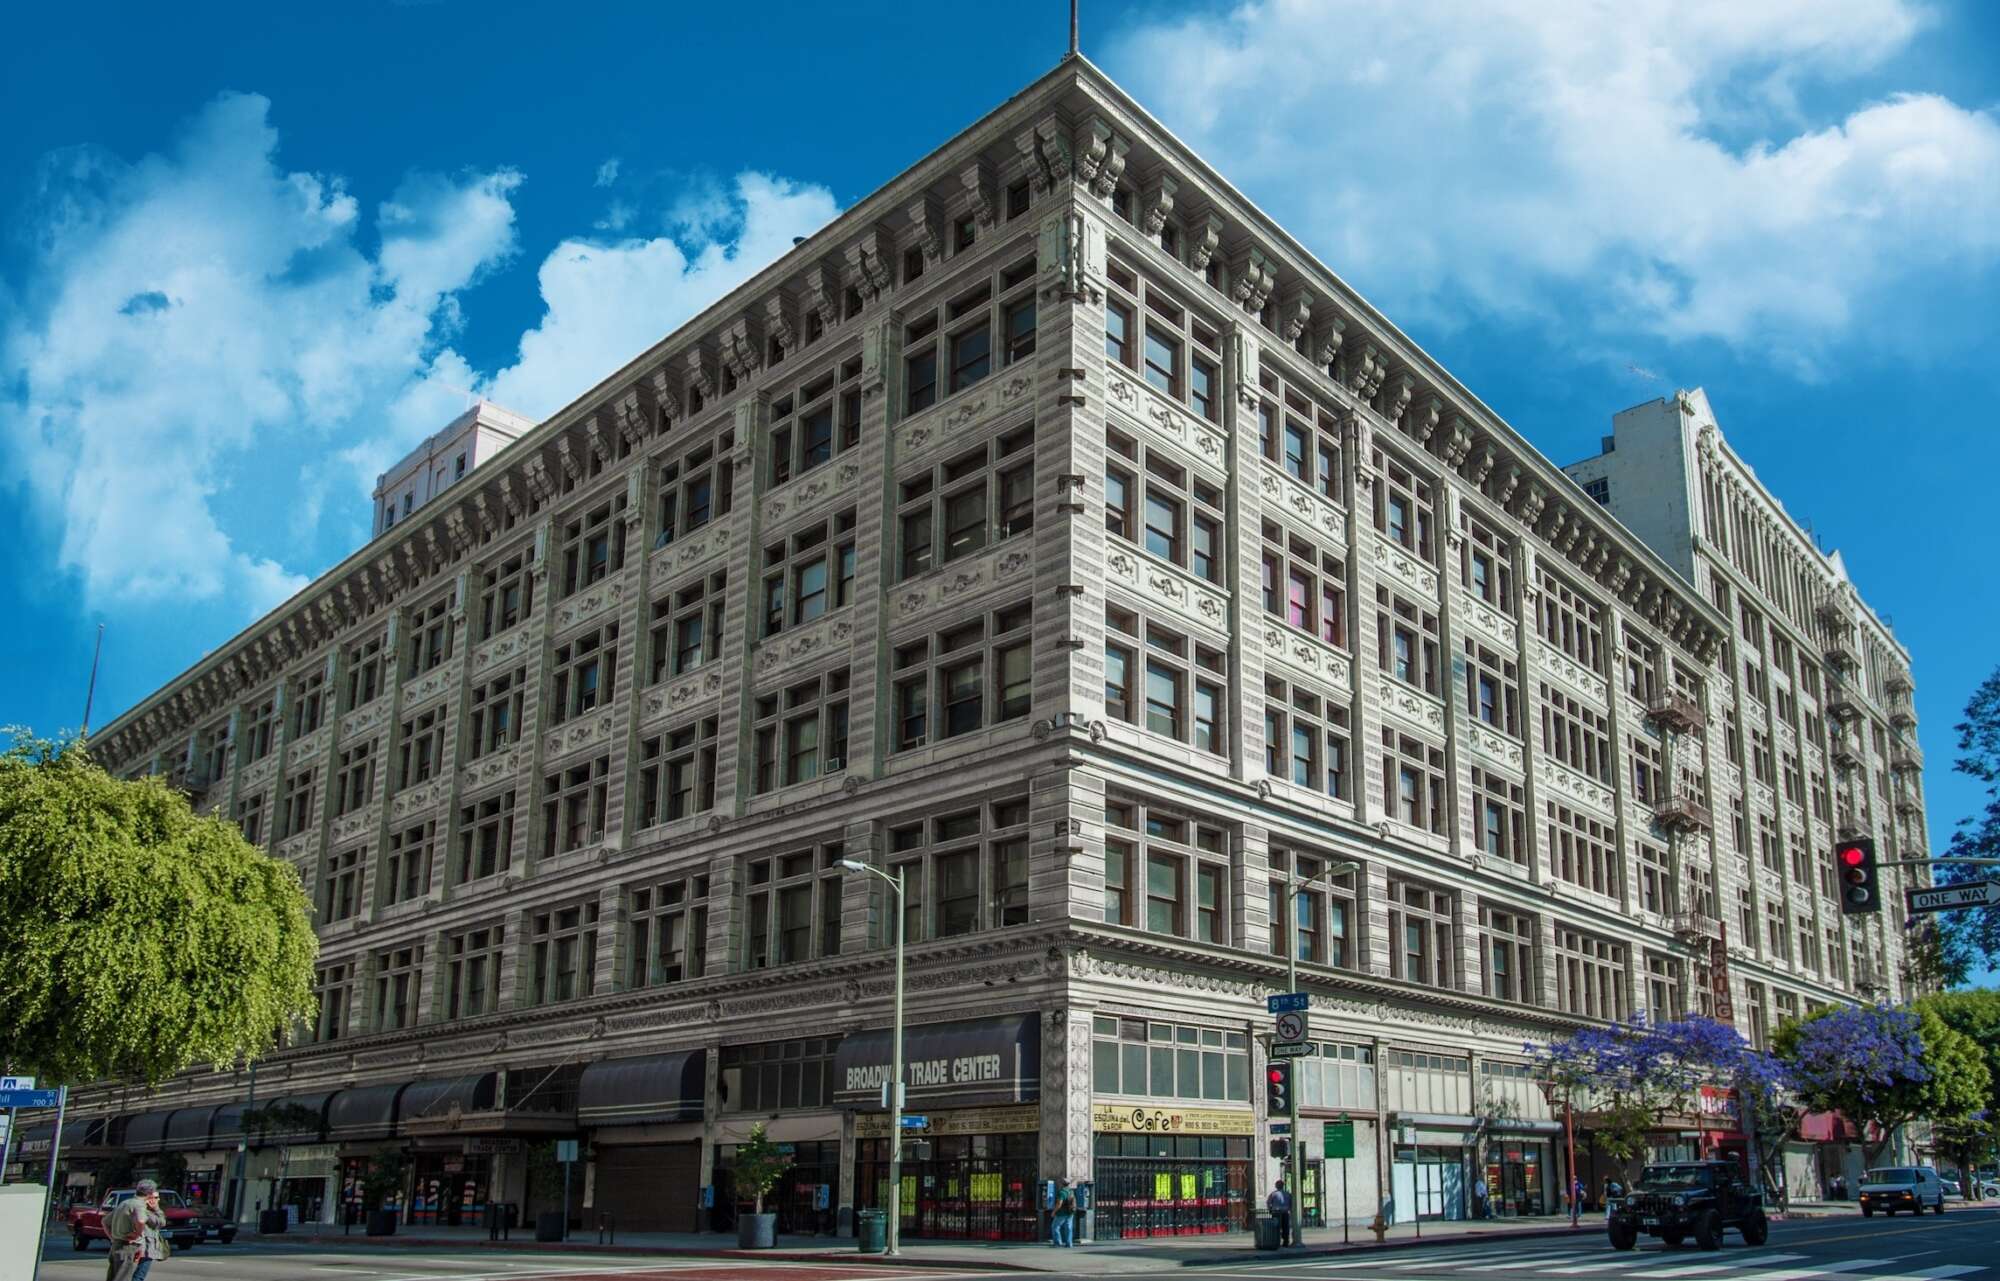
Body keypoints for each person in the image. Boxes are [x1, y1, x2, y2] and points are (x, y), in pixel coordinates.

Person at [104, 1179, 166, 1281]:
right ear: (149, 1194)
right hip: (134, 1248)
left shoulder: (125, 1203)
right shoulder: (140, 1206)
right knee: (130, 1277)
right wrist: (136, 1235)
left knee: (115, 1277)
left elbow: (105, 1221)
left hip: (121, 1245)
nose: (157, 1200)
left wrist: (113, 1238)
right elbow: (158, 1222)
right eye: (155, 1197)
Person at [1267, 1179, 1293, 1247]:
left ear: (1276, 1186)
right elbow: (1291, 1203)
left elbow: (1269, 1203)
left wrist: (1270, 1209)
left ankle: (1276, 1241)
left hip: (1276, 1213)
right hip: (1285, 1212)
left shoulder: (1273, 1194)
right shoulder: (1287, 1194)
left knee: (1276, 1227)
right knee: (1285, 1227)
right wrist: (1289, 1209)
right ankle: (1286, 1241)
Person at [1051, 1180, 1075, 1247]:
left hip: (1061, 1213)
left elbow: (1059, 1204)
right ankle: (1069, 1243)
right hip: (1070, 1212)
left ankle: (1057, 1243)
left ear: (1062, 1184)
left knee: (1055, 1227)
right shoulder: (1071, 1191)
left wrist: (1054, 1212)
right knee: (1068, 1228)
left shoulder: (1062, 1192)